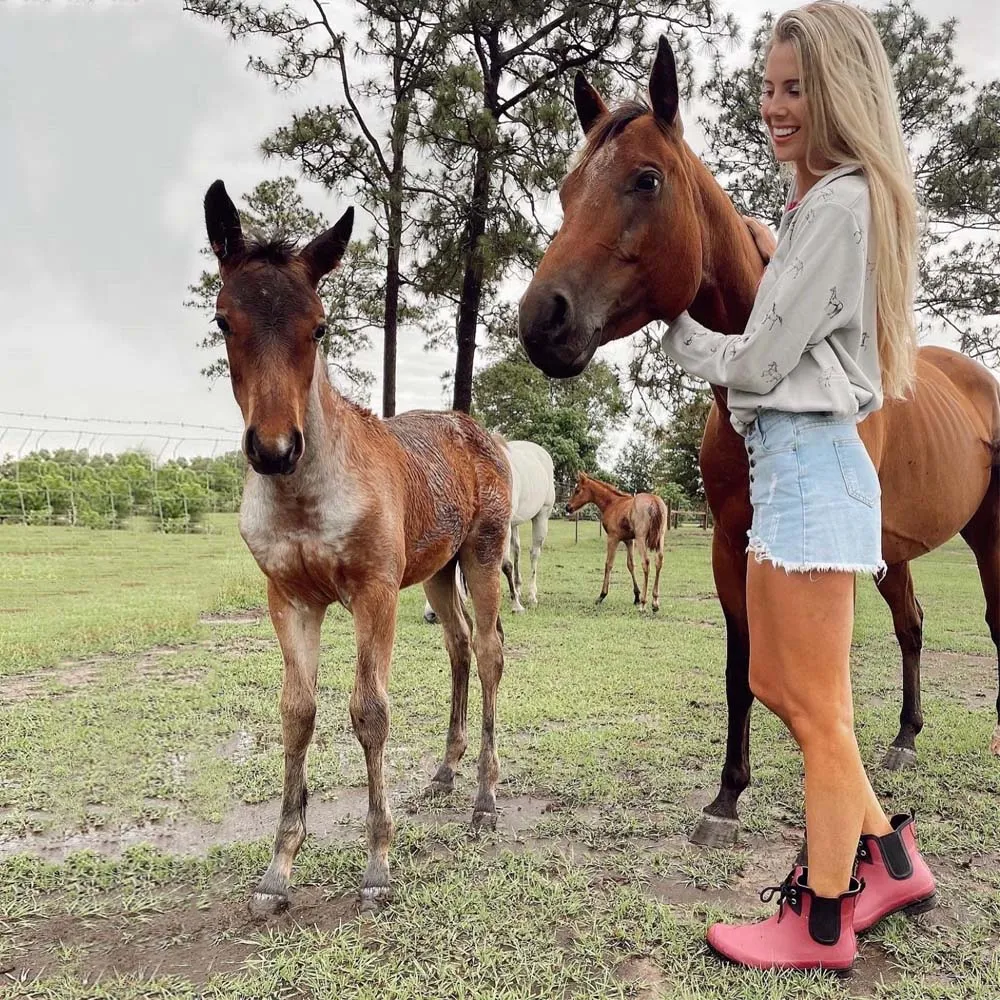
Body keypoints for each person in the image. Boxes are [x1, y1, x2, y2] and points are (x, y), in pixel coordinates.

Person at [660, 1, 937, 972]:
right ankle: (890, 856)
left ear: (838, 95)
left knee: (819, 712)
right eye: (769, 88)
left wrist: (676, 329)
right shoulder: (810, 207)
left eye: (796, 90)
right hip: (787, 468)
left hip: (814, 466)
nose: (775, 108)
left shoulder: (842, 205)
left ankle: (822, 917)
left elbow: (767, 360)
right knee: (779, 683)